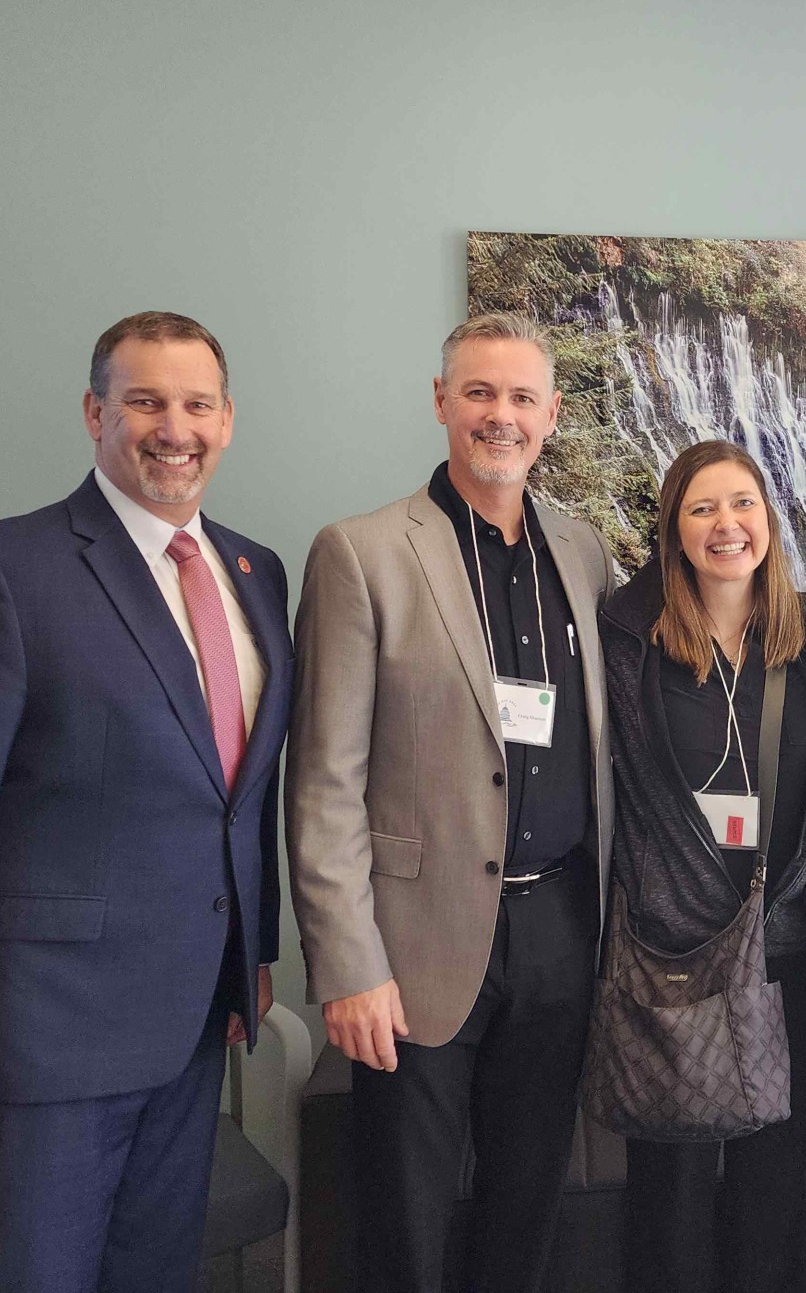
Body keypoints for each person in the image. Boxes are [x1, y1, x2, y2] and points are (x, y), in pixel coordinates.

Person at [0, 312, 291, 1292]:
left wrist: (251, 953)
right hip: (36, 1057)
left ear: (227, 422)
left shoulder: (254, 574)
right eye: (144, 401)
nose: (172, 427)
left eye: (195, 404)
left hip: (191, 1035)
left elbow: (238, 792)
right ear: (97, 412)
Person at [286, 311, 613, 1293]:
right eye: (479, 393)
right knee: (406, 1214)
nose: (499, 416)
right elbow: (324, 778)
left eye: (520, 398)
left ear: (551, 415)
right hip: (411, 940)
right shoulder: (364, 551)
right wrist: (348, 966)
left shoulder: (585, 553)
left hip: (559, 925)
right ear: (441, 403)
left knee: (526, 1202)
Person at [599, 439, 806, 1293]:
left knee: (772, 1184)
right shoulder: (628, 635)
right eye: (703, 507)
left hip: (790, 952)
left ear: (769, 521)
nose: (726, 524)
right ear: (672, 528)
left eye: (742, 503)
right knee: (667, 1191)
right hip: (675, 954)